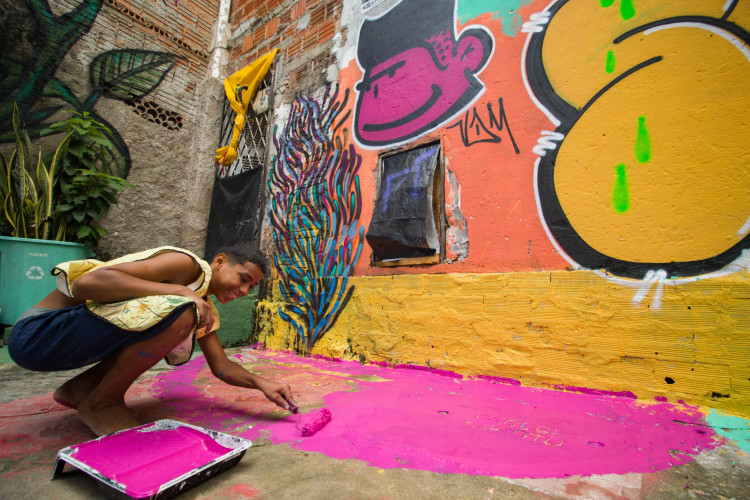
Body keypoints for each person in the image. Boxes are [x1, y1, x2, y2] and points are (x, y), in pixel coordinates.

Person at [7, 240, 299, 436]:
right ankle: (102, 403)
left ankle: (82, 390)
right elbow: (87, 283)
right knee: (183, 314)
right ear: (220, 261)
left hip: (60, 341)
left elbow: (221, 366)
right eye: (244, 278)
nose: (245, 291)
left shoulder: (202, 306)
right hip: (38, 332)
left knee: (182, 316)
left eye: (253, 287)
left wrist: (264, 384)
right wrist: (183, 292)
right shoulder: (188, 267)